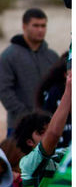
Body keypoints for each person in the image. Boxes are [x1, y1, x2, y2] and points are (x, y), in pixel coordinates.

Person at [0, 9, 58, 137]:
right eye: (36, 25)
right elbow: (4, 91)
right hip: (18, 126)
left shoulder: (52, 57)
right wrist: (27, 115)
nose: (40, 30)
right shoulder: (9, 56)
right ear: (24, 26)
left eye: (43, 26)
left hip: (49, 127)